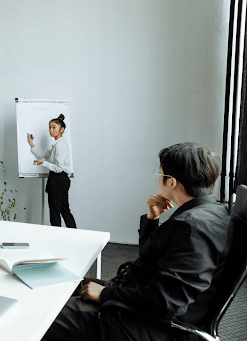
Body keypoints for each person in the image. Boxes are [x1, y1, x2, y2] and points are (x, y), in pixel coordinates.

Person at [42, 142, 231, 341]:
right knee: (59, 284)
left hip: (146, 322)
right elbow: (150, 259)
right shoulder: (214, 213)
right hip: (138, 292)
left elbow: (165, 301)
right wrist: (152, 219)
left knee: (44, 314)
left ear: (172, 182)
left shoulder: (192, 229)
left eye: (159, 174)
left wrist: (106, 294)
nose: (158, 179)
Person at [28, 114, 76, 228]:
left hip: (58, 179)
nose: (51, 130)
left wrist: (43, 163)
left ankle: (57, 238)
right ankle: (75, 236)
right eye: (49, 127)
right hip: (61, 179)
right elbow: (43, 155)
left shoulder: (60, 145)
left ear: (62, 129)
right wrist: (31, 143)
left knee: (55, 211)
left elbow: (58, 168)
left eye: (54, 127)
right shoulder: (57, 145)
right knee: (64, 210)